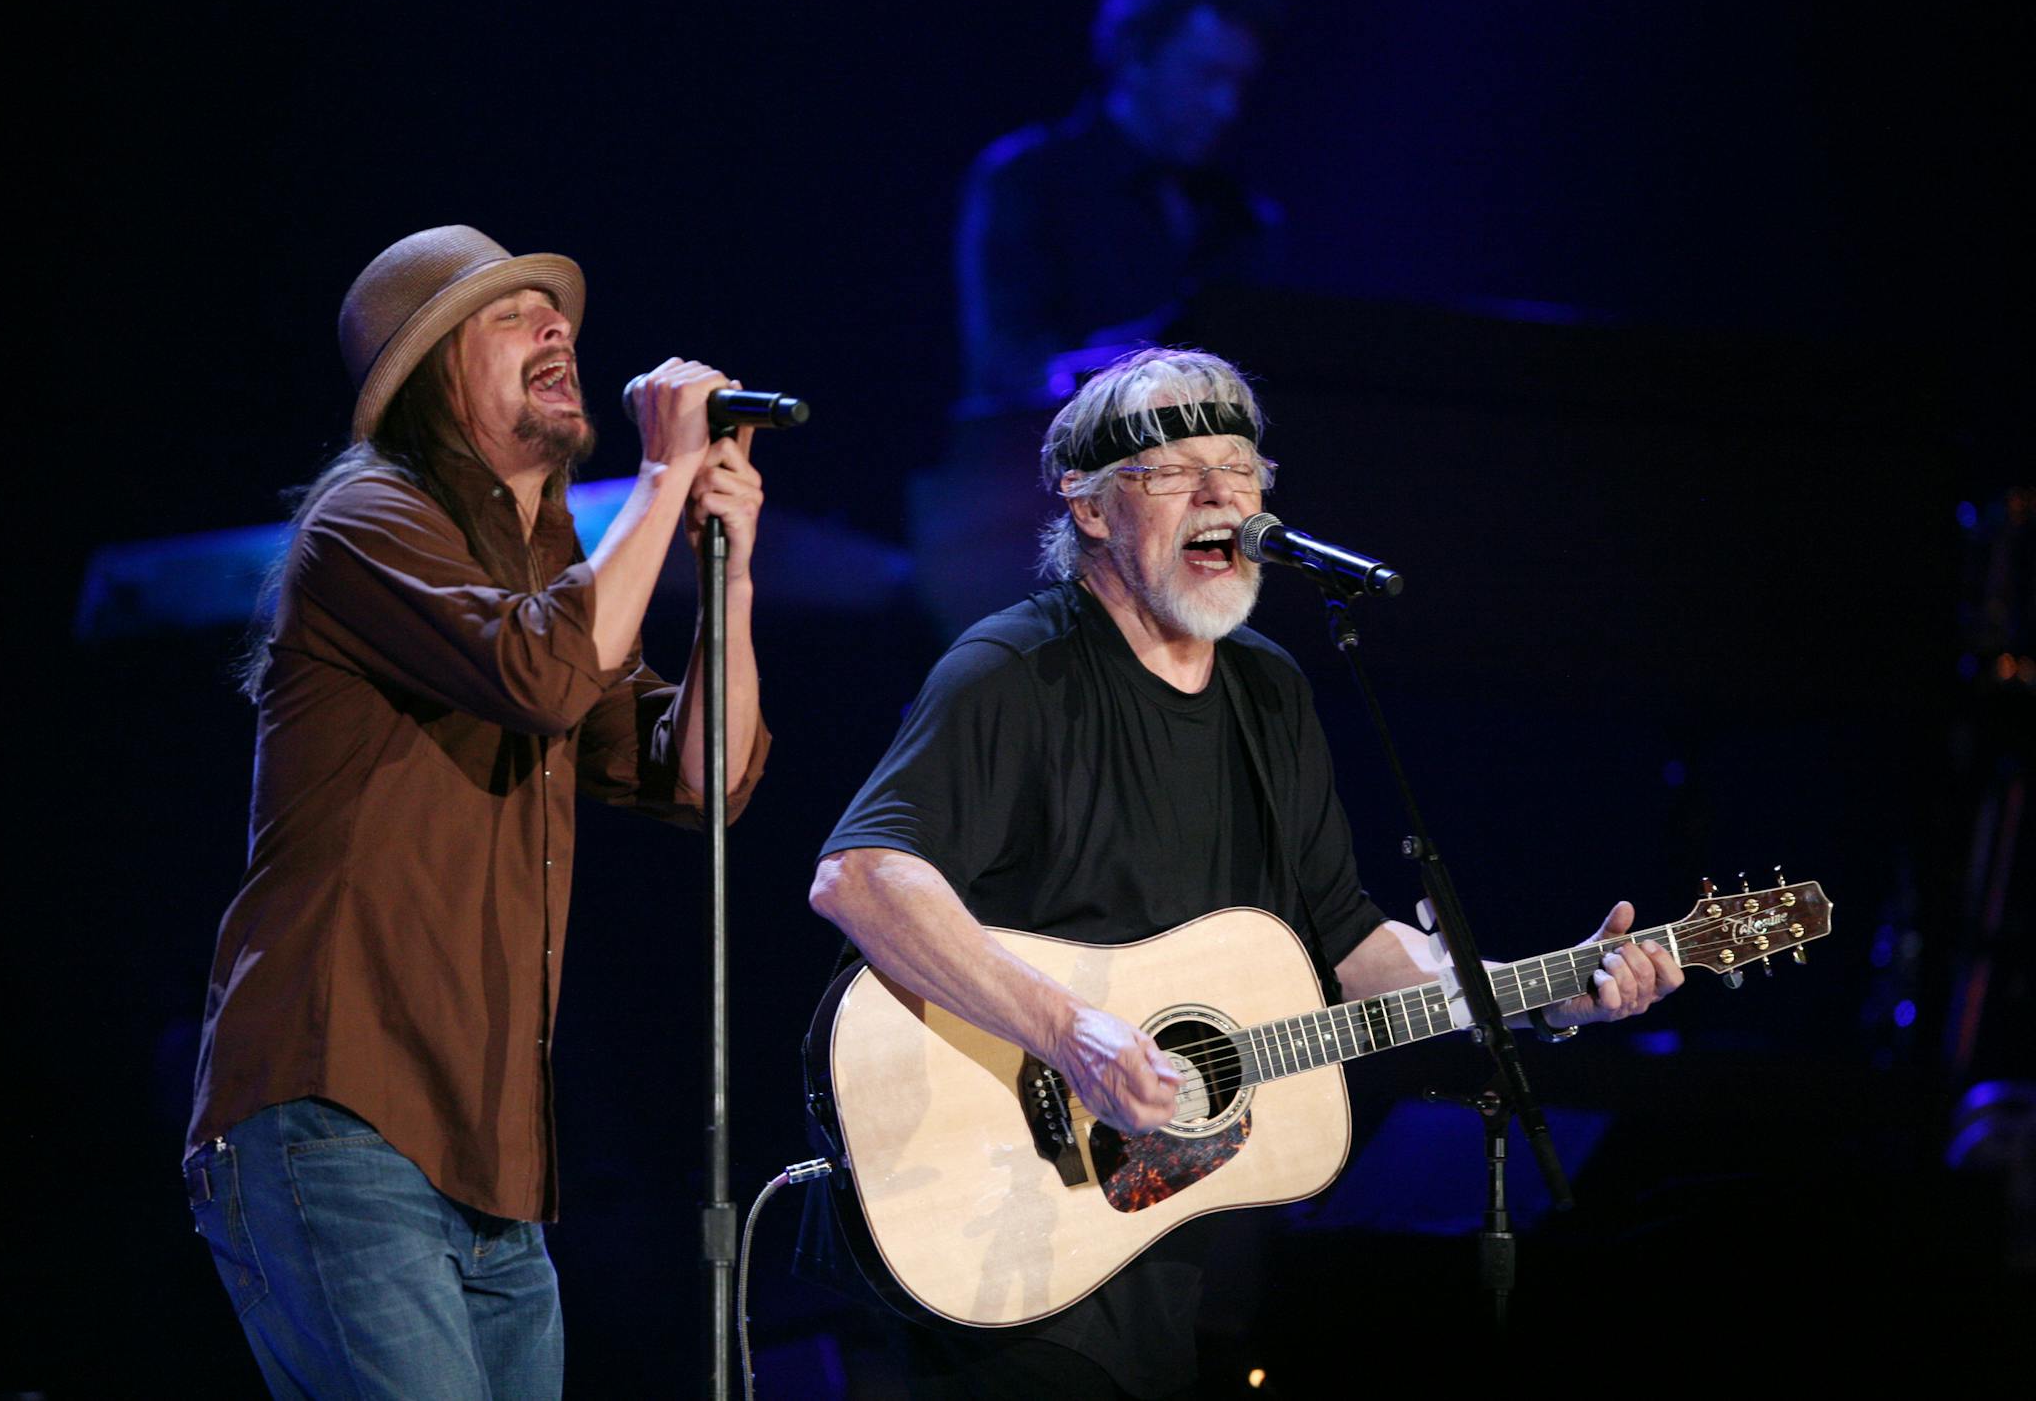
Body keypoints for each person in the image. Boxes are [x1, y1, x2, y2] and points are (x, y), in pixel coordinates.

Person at [809, 347, 1681, 1398]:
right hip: (992, 1204)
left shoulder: (1270, 691)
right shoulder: (1014, 671)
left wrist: (1536, 994)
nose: (1222, 495)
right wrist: (1071, 1032)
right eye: (1178, 472)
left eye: (1239, 468)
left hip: (1153, 1237)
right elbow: (861, 876)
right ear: (1091, 508)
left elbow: (1346, 936)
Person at [182, 224, 771, 1399]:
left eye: (558, 315)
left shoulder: (545, 570)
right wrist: (660, 479)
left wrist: (729, 570)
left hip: (492, 1165)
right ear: (429, 373)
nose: (557, 328)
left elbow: (701, 778)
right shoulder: (366, 519)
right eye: (511, 315)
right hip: (337, 1116)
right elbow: (545, 674)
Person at [957, 0, 1286, 406]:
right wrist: (1141, 360)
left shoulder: (1240, 212)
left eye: (1239, 83)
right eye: (1207, 76)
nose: (1226, 106)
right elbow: (1006, 367)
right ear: (1135, 57)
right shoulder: (1029, 179)